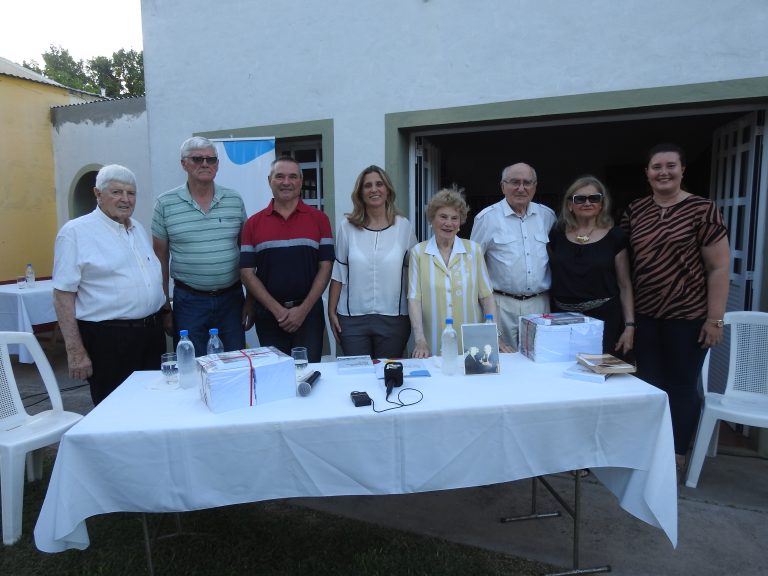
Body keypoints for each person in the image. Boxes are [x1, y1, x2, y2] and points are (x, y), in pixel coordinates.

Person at [621, 143, 730, 478]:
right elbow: (621, 259)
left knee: (681, 386)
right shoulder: (635, 211)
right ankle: (648, 449)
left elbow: (719, 268)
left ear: (683, 170)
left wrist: (715, 319)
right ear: (647, 173)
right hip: (647, 316)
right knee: (648, 384)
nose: (663, 172)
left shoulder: (702, 210)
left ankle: (676, 452)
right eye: (657, 167)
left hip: (688, 317)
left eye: (670, 166)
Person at [53, 165, 166, 405]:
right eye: (116, 192)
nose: (125, 199)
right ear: (98, 194)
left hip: (150, 335)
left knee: (153, 404)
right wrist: (75, 352)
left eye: (131, 193)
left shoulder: (137, 229)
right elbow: (63, 295)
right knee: (114, 409)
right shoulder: (75, 233)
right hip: (109, 340)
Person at [152, 136, 251, 355]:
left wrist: (250, 299)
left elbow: (247, 254)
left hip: (231, 300)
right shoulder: (165, 203)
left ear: (217, 164)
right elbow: (160, 259)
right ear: (183, 163)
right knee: (192, 367)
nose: (205, 164)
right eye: (197, 159)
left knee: (234, 364)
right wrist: (165, 307)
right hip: (189, 302)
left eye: (211, 159)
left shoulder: (234, 200)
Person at [240, 156, 334, 362]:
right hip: (269, 316)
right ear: (269, 181)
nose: (286, 182)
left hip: (308, 315)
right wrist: (278, 311)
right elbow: (247, 273)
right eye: (279, 176)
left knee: (309, 376)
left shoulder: (319, 219)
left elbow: (326, 267)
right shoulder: (253, 224)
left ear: (300, 181)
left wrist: (303, 310)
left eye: (293, 177)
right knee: (276, 379)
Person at [328, 166, 417, 358]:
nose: (374, 189)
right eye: (367, 185)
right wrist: (331, 311)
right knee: (357, 378)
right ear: (360, 193)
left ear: (388, 190)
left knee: (388, 376)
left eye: (379, 184)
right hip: (352, 321)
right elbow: (339, 272)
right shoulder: (347, 227)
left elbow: (414, 273)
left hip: (394, 319)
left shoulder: (404, 226)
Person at [470, 163, 556, 351]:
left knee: (540, 361)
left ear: (535, 186)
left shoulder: (547, 216)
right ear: (503, 186)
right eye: (514, 182)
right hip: (501, 306)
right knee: (504, 363)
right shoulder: (487, 218)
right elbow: (472, 266)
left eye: (527, 183)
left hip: (540, 305)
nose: (521, 188)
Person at [548, 175, 634, 356]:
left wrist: (629, 326)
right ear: (570, 205)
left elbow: (625, 285)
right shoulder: (556, 235)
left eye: (594, 198)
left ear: (602, 204)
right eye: (580, 199)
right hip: (562, 319)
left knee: (600, 374)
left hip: (604, 320)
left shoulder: (615, 237)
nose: (587, 202)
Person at [408, 187, 498, 358]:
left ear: (460, 222)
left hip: (471, 343)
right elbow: (414, 299)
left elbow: (486, 296)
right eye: (443, 216)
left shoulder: (474, 250)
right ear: (432, 219)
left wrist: (493, 335)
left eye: (454, 218)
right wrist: (420, 339)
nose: (448, 223)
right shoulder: (418, 253)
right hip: (432, 342)